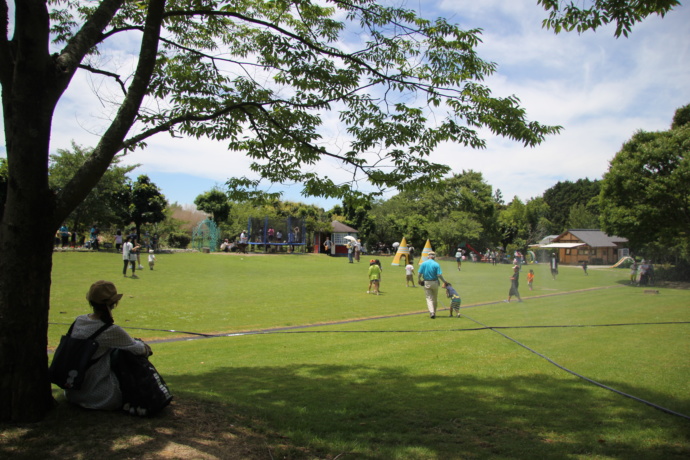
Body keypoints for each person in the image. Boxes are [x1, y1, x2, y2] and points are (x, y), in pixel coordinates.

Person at [64, 280, 152, 410]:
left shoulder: (79, 320)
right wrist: (145, 347)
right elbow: (140, 350)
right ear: (114, 304)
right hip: (99, 397)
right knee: (131, 356)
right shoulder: (110, 330)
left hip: (72, 392)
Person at [417, 251, 447, 319]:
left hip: (427, 282)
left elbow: (419, 273)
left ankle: (432, 312)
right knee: (434, 298)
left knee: (429, 298)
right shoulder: (436, 264)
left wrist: (419, 279)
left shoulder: (424, 263)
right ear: (434, 257)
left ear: (428, 256)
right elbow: (439, 275)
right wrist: (444, 281)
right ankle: (434, 312)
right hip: (435, 282)